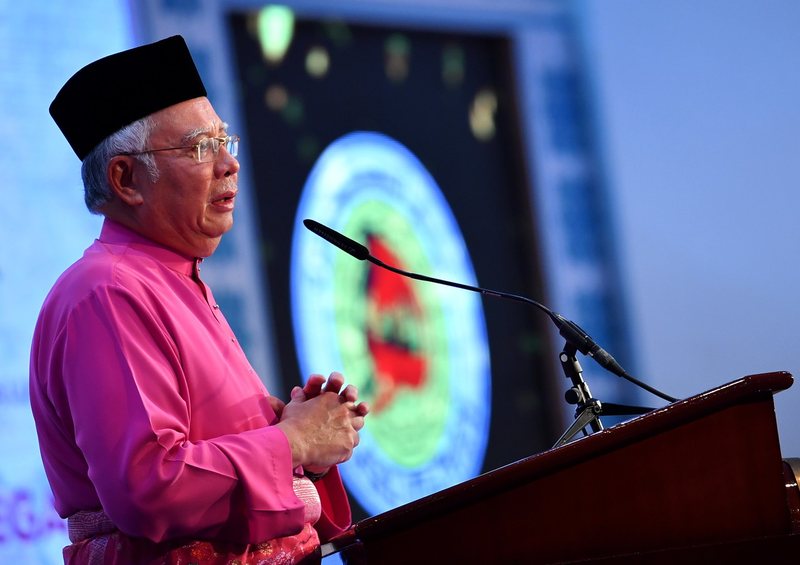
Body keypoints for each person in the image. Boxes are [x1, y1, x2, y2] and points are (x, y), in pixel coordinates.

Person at [29, 35, 368, 564]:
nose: (229, 166)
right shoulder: (107, 292)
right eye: (198, 148)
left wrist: (310, 451)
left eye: (224, 143)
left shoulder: (175, 279)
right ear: (126, 178)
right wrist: (292, 443)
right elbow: (149, 489)